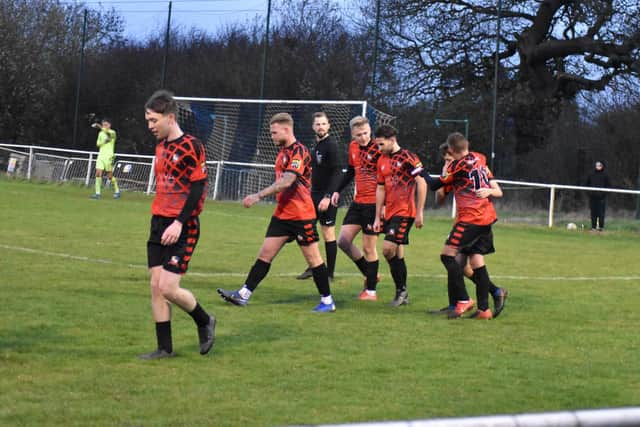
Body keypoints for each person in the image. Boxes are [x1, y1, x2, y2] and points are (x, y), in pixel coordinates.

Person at [217, 113, 336, 312]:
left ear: (286, 130)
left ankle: (327, 301)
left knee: (314, 259)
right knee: (265, 254)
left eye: (274, 132)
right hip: (283, 214)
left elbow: (287, 181)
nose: (271, 136)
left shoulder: (299, 151)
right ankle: (244, 295)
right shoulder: (282, 152)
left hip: (301, 215)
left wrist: (258, 195)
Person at [139, 90, 216, 359]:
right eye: (148, 121)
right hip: (158, 223)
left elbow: (197, 187)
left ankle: (204, 320)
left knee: (168, 288)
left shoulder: (192, 146)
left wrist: (179, 222)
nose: (150, 126)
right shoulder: (160, 146)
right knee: (155, 286)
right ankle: (164, 349)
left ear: (170, 117)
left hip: (183, 225)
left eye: (153, 120)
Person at [425, 132, 506, 319]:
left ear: (452, 151)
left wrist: (419, 171)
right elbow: (442, 196)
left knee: (448, 257)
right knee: (471, 261)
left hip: (471, 219)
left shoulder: (456, 167)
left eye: (449, 157)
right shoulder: (479, 158)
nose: (448, 161)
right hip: (485, 216)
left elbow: (435, 190)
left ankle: (463, 301)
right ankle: (484, 308)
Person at [372, 125, 427, 306]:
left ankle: (401, 291)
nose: (379, 149)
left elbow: (422, 183)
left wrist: (419, 212)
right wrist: (377, 216)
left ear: (392, 140)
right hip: (389, 213)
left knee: (388, 249)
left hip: (405, 212)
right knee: (396, 252)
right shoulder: (381, 160)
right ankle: (402, 293)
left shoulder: (408, 158)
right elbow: (380, 188)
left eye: (381, 144)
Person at [331, 116, 383, 300]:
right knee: (343, 242)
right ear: (353, 134)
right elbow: (351, 170)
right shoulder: (353, 147)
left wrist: (383, 206)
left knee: (369, 249)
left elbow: (387, 178)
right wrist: (337, 190)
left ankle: (371, 291)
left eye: (366, 133)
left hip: (373, 204)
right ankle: (371, 275)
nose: (363, 137)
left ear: (370, 131)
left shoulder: (378, 149)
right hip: (358, 202)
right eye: (359, 134)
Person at [296, 112, 342, 281]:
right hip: (314, 194)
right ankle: (314, 266)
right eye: (318, 124)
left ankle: (329, 274)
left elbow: (338, 172)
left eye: (323, 124)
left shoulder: (331, 145)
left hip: (327, 196)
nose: (320, 127)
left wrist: (328, 196)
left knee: (328, 233)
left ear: (328, 126)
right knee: (306, 229)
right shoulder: (316, 146)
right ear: (313, 127)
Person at [90, 118, 121, 199]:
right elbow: (98, 144)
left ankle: (117, 190)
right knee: (98, 173)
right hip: (101, 155)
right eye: (103, 125)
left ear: (109, 125)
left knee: (109, 176)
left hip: (109, 156)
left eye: (106, 125)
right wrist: (104, 142)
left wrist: (98, 126)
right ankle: (97, 194)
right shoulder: (100, 133)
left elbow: (108, 133)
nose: (104, 126)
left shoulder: (112, 132)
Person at [586, 161, 611, 231]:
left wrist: (603, 194)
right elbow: (587, 184)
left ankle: (601, 227)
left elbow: (609, 186)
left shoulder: (605, 175)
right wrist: (590, 193)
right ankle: (593, 227)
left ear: (602, 166)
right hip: (592, 197)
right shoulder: (591, 174)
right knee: (593, 212)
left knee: (601, 213)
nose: (598, 167)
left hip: (601, 198)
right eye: (597, 165)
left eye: (600, 165)